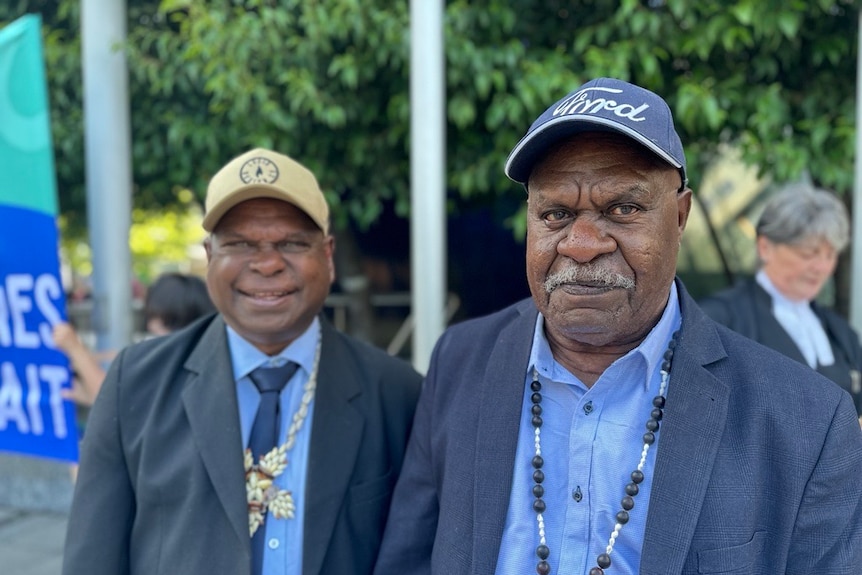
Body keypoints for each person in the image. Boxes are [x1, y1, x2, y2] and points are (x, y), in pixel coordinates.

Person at [373, 78, 862, 575]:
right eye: (556, 213)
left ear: (679, 215)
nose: (581, 244)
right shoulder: (460, 361)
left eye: (623, 209)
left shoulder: (806, 422)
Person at [62, 148, 423, 575]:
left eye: (291, 243)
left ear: (327, 255)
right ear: (210, 255)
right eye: (239, 244)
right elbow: (93, 559)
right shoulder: (135, 384)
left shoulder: (398, 393)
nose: (268, 263)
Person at [698, 183, 862, 416]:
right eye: (808, 253)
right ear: (765, 247)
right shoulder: (718, 319)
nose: (821, 267)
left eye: (830, 255)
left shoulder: (841, 333)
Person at [53, 272, 216, 406]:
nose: (153, 326)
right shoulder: (207, 357)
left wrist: (76, 350)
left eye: (165, 320)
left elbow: (111, 402)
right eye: (152, 316)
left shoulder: (185, 365)